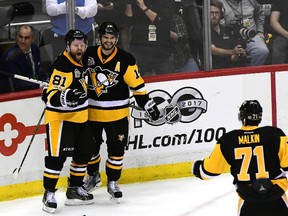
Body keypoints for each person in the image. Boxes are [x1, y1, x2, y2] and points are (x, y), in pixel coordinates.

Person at [82, 22, 160, 203]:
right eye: (105, 38)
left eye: (111, 38)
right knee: (90, 149)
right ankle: (93, 175)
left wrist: (148, 104)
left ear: (116, 39)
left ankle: (113, 182)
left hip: (117, 116)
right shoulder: (89, 55)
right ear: (100, 37)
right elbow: (72, 70)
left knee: (116, 151)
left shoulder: (126, 59)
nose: (108, 41)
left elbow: (138, 87)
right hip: (92, 114)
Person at [192, 100, 288, 216]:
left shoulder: (228, 140)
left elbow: (208, 172)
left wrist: (198, 168)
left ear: (241, 116)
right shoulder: (275, 135)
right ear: (260, 117)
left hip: (248, 201)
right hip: (277, 199)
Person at [41, 30, 96, 213]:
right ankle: (48, 193)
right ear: (68, 46)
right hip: (61, 119)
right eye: (75, 45)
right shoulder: (62, 65)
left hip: (80, 117)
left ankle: (74, 189)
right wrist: (66, 96)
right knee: (56, 159)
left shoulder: (84, 59)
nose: (79, 48)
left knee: (84, 153)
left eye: (82, 45)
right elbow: (50, 96)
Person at [124, 0, 175, 76]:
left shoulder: (166, 2)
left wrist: (144, 7)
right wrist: (128, 4)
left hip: (162, 50)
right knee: (133, 81)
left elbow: (163, 22)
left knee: (167, 83)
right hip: (139, 48)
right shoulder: (136, 2)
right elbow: (128, 23)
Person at [219, 0, 270, 66]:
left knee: (262, 51)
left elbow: (260, 13)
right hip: (230, 37)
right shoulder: (220, 2)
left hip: (250, 34)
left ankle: (252, 72)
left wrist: (260, 31)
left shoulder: (251, 1)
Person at [0, 25, 48, 93]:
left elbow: (38, 70)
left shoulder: (35, 48)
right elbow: (18, 83)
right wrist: (39, 85)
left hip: (33, 88)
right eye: (20, 37)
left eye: (26, 38)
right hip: (14, 94)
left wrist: (47, 79)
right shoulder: (11, 57)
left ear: (32, 39)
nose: (23, 41)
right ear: (17, 37)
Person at [210, 0, 247, 69]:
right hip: (213, 71)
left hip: (231, 69)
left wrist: (238, 54)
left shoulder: (227, 31)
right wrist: (232, 52)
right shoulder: (204, 32)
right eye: (211, 13)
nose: (214, 16)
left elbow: (233, 51)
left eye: (217, 13)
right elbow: (213, 50)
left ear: (221, 14)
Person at [270, 0, 288, 64]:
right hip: (283, 35)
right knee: (278, 49)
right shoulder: (279, 1)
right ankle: (277, 73)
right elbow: (273, 21)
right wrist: (286, 34)